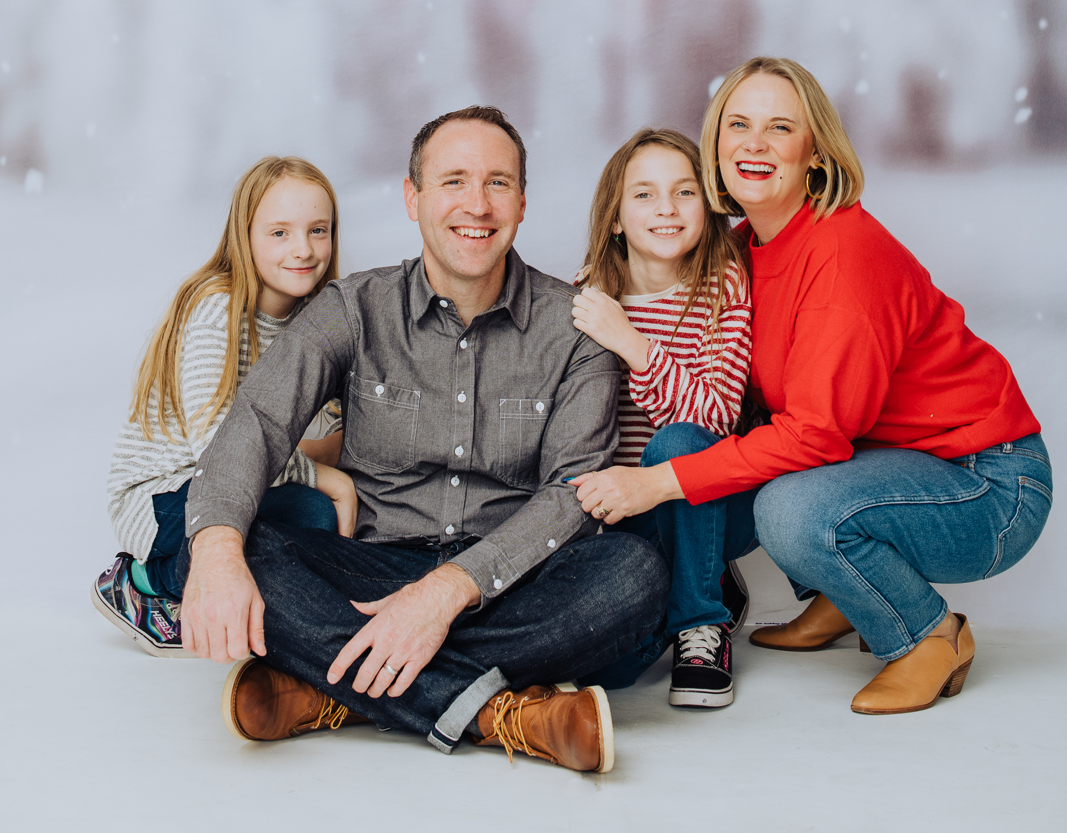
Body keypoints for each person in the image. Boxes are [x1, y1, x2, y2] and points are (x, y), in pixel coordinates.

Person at [178, 106, 669, 773]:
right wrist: (214, 552)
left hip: (510, 577)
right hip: (376, 568)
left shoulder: (576, 325)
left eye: (497, 182)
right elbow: (257, 425)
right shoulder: (351, 308)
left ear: (522, 202)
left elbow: (571, 495)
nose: (476, 203)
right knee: (219, 543)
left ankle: (339, 691)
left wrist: (448, 592)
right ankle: (504, 715)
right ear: (412, 198)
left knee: (630, 578)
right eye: (452, 181)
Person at [569, 57, 1051, 716]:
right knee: (736, 451)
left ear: (814, 152)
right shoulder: (744, 249)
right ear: (714, 144)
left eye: (778, 127)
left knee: (788, 510)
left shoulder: (843, 255)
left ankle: (925, 636)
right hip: (884, 464)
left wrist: (655, 482)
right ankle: (841, 593)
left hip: (986, 485)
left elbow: (816, 434)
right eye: (737, 124)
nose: (753, 144)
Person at [93, 157, 357, 656]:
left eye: (317, 230)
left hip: (239, 486)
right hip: (166, 493)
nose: (302, 249)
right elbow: (218, 443)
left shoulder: (316, 323)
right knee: (313, 515)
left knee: (317, 526)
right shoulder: (217, 305)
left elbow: (313, 431)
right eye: (279, 233)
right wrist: (330, 481)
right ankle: (146, 581)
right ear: (245, 234)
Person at [570, 127, 752, 708]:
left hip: (710, 499)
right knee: (615, 673)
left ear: (708, 204)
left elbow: (719, 417)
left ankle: (702, 621)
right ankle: (693, 585)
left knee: (677, 442)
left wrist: (632, 343)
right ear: (617, 217)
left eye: (684, 191)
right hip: (625, 516)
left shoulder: (722, 287)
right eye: (644, 194)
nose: (667, 209)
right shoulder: (590, 297)